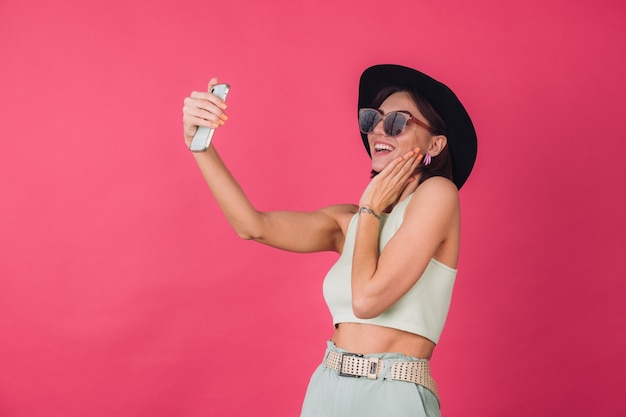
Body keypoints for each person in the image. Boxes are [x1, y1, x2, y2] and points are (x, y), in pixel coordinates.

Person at [182, 64, 477, 417]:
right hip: (327, 387)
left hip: (394, 394)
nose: (380, 130)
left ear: (436, 143)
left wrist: (370, 208)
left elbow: (368, 301)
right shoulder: (349, 220)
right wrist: (200, 147)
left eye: (399, 122)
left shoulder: (438, 195)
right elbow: (253, 225)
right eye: (373, 119)